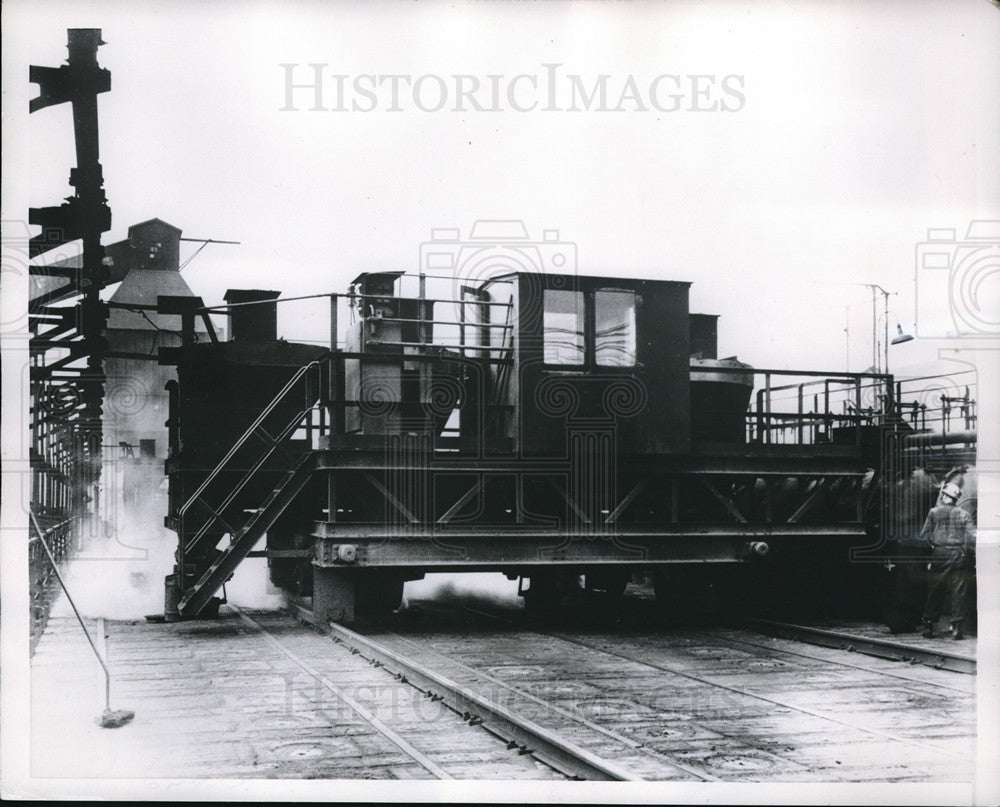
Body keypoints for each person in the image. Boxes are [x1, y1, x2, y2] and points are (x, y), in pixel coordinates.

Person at [919, 482, 975, 640]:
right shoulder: (964, 514)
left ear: (944, 495)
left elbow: (925, 536)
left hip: (939, 554)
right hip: (958, 555)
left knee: (935, 590)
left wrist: (933, 549)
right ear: (956, 498)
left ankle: (929, 626)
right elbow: (972, 535)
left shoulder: (933, 512)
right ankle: (957, 628)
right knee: (959, 592)